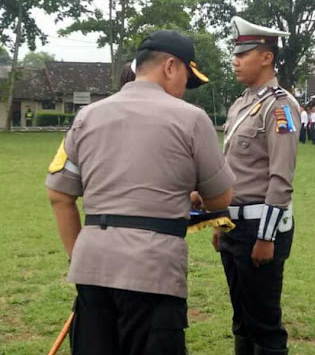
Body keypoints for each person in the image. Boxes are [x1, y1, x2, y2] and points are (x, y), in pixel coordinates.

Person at [45, 30, 234, 355]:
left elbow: (59, 195)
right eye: (186, 80)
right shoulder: (192, 119)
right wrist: (192, 195)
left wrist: (79, 254)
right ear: (171, 66)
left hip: (93, 268)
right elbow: (221, 199)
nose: (184, 93)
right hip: (154, 270)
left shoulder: (86, 116)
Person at [217, 16, 301, 355]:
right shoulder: (242, 103)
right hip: (233, 224)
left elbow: (280, 179)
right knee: (242, 319)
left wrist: (266, 237)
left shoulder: (280, 106)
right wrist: (219, 218)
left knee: (264, 325)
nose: (235, 61)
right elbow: (231, 168)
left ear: (266, 57)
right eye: (235, 53)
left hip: (259, 227)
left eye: (244, 53)